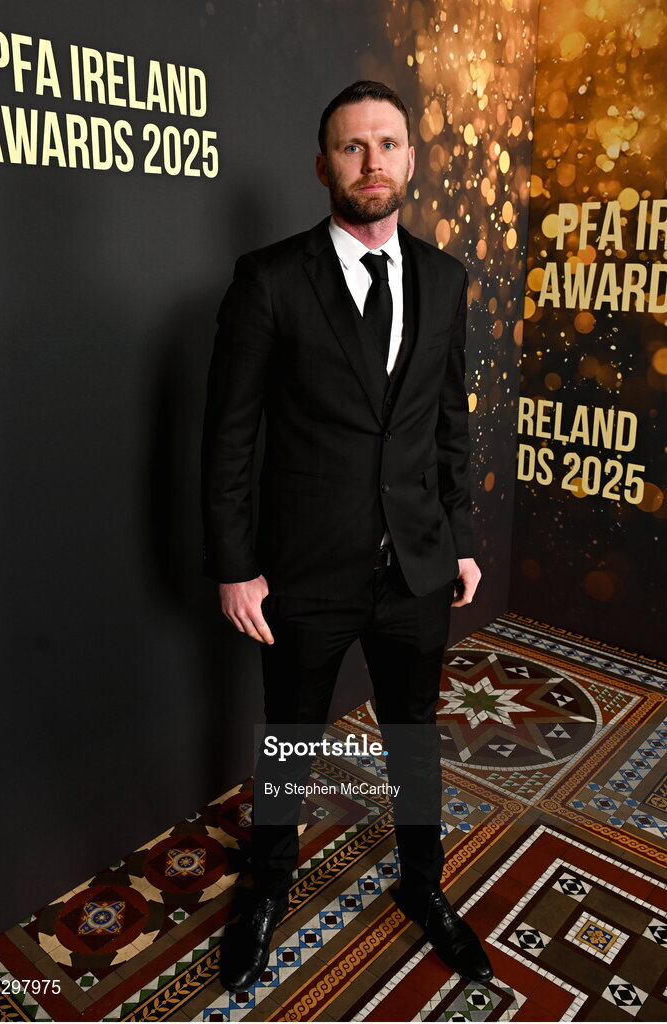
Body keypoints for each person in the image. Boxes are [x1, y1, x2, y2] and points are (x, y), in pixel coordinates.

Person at [201, 80, 493, 991]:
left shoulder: (446, 279)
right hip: (305, 569)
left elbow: (450, 424)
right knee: (291, 736)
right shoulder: (271, 278)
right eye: (353, 146)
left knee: (413, 731)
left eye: (389, 144)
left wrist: (462, 538)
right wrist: (236, 565)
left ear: (411, 157)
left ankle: (422, 883)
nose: (373, 162)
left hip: (416, 563)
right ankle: (269, 883)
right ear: (324, 164)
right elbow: (230, 433)